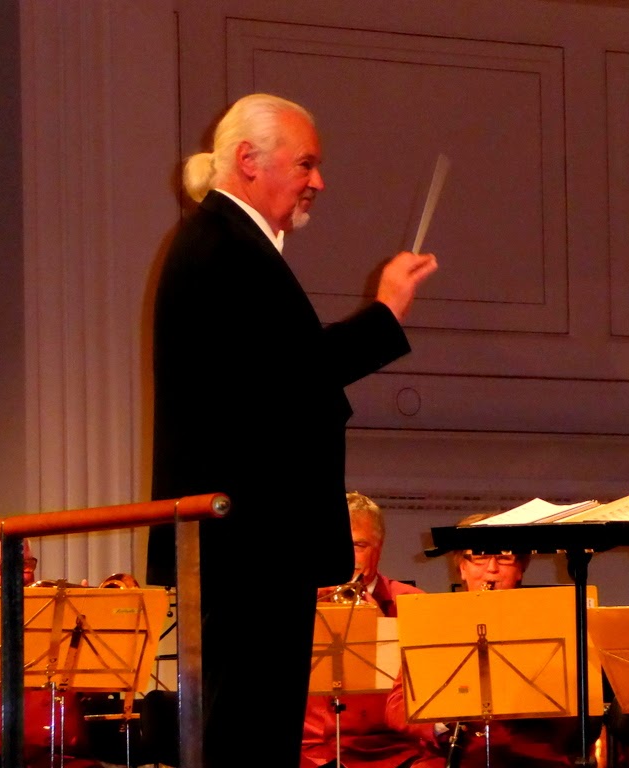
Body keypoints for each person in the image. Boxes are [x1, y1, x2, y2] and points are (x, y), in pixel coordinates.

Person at [146, 93, 438, 767]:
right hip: (249, 543)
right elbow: (295, 374)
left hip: (247, 542)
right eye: (306, 163)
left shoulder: (225, 243)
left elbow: (275, 376)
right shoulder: (224, 246)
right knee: (249, 738)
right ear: (248, 160)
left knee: (254, 734)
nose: (319, 181)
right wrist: (387, 310)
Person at [385, 514, 599, 767]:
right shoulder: (436, 621)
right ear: (462, 568)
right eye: (479, 556)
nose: (492, 568)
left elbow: (585, 715)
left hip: (532, 756)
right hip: (456, 755)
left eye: (504, 556)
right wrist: (443, 723)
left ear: (521, 568)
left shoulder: (554, 620)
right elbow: (397, 706)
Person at [0, 531, 97, 768]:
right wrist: (4, 625)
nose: (21, 574)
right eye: (4, 566)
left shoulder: (49, 612)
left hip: (61, 755)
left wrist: (86, 621)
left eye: (26, 564)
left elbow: (93, 688)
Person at [303, 492, 425, 767]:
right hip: (310, 750)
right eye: (336, 546)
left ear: (378, 548)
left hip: (389, 750)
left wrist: (377, 621)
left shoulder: (411, 602)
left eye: (358, 545)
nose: (345, 557)